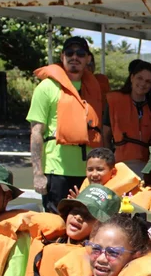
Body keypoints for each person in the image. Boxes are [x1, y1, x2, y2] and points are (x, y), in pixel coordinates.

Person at [28, 36, 104, 213]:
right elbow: (36, 132)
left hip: (89, 171)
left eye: (80, 53)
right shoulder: (46, 88)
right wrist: (38, 174)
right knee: (57, 222)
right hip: (57, 171)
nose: (74, 57)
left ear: (88, 58)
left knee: (88, 220)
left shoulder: (94, 88)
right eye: (69, 53)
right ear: (62, 56)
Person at [103, 60, 151, 163]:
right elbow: (106, 135)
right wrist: (108, 161)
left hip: (147, 164)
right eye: (139, 78)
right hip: (119, 163)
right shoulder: (114, 100)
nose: (143, 83)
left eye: (148, 81)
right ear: (132, 78)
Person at [69, 147, 142, 198]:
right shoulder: (82, 194)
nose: (94, 174)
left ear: (113, 172)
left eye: (100, 169)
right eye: (90, 169)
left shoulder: (130, 194)